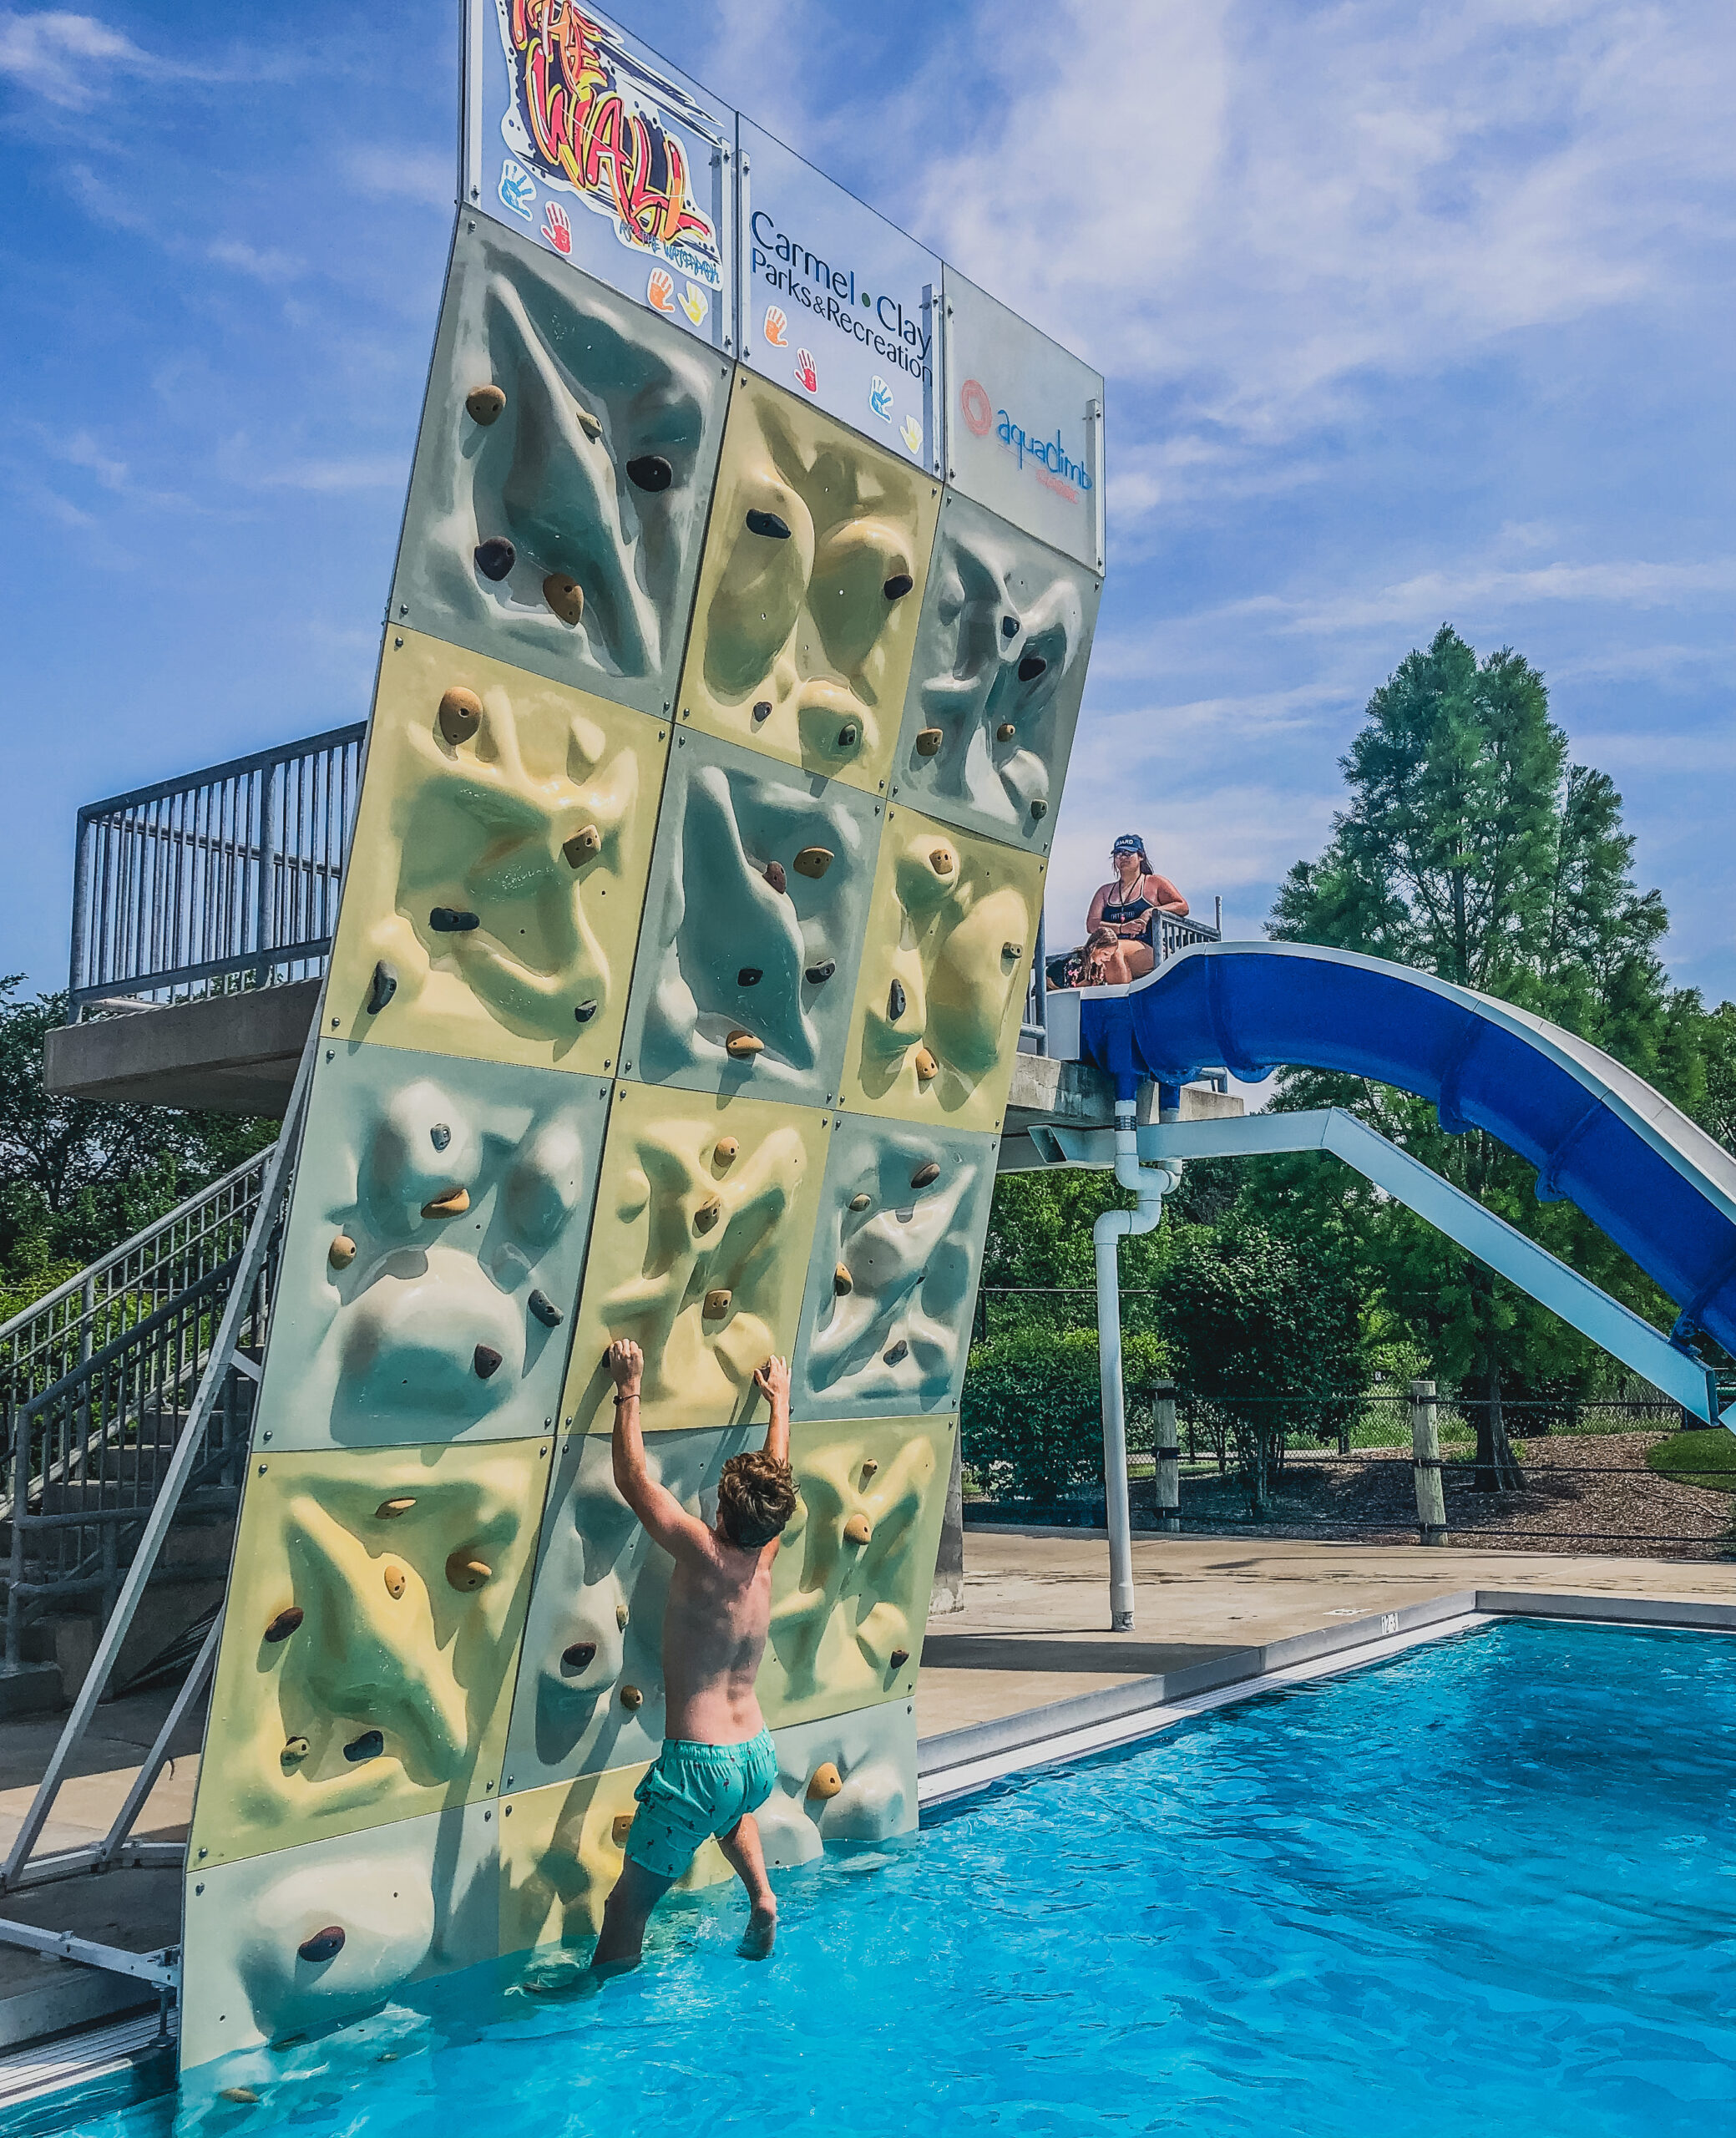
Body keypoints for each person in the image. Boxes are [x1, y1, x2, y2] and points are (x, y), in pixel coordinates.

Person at [590, 1340, 797, 1975]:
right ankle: (762, 1898)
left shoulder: (702, 1553)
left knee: (625, 1907)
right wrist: (780, 1404)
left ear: (718, 1511)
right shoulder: (765, 1555)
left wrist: (629, 1387)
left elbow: (633, 1479)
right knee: (730, 1809)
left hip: (697, 1762)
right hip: (754, 1754)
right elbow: (775, 1475)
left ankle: (601, 2009)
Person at [1082, 834, 1187, 982]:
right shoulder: (1105, 891)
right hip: (1111, 948)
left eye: (1128, 853)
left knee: (1114, 950)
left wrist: (1151, 911)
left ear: (1141, 856)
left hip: (1149, 947)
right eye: (1118, 854)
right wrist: (1122, 928)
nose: (1122, 857)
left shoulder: (1154, 883)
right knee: (1079, 960)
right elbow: (1092, 924)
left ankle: (1122, 1001)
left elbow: (1182, 906)